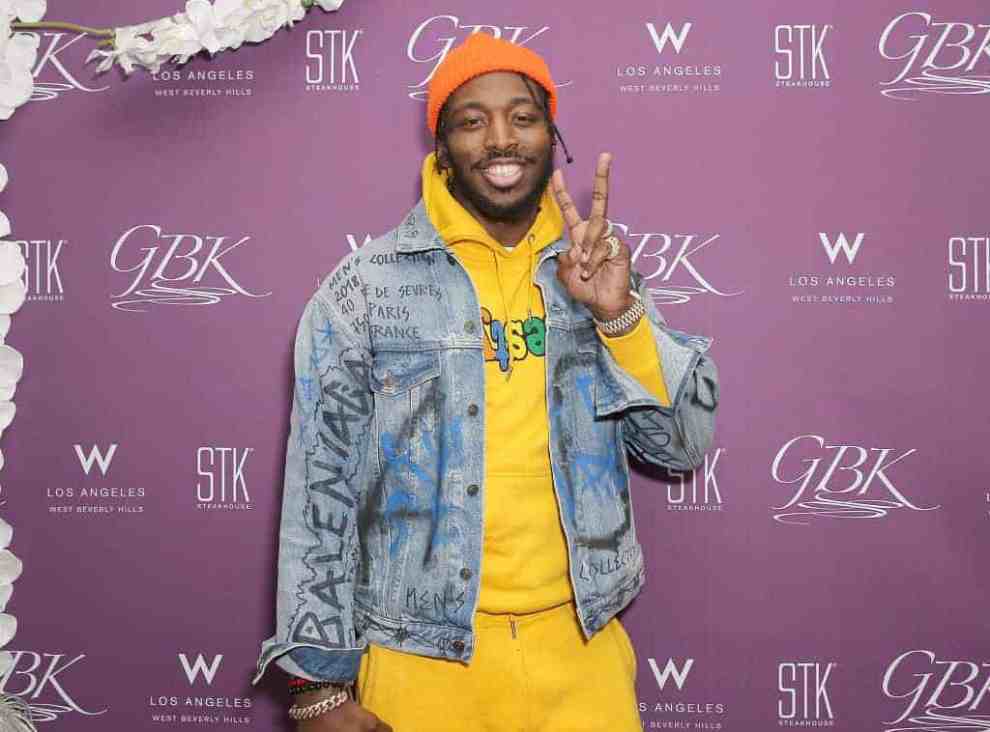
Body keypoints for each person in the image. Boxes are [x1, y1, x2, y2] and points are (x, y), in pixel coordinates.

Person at [252, 32, 719, 732]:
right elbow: (321, 488)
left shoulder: (596, 273)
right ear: (441, 147)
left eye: (523, 117)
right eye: (472, 121)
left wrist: (618, 317)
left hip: (580, 654)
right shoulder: (363, 290)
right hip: (419, 662)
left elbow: (679, 446)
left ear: (551, 137)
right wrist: (316, 683)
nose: (501, 138)